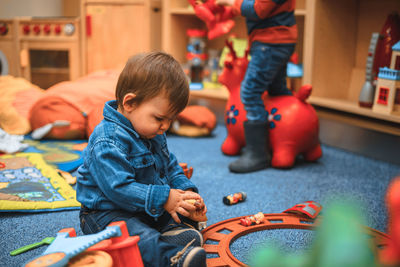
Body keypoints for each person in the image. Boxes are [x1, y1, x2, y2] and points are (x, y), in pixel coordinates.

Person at [76, 52, 207, 267]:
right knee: (136, 237)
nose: (165, 126)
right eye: (159, 118)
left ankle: (170, 236)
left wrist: (187, 193)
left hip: (144, 206)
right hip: (105, 213)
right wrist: (164, 198)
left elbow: (170, 167)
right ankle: (172, 259)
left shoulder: (153, 132)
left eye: (170, 120)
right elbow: (119, 189)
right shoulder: (107, 141)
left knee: (178, 214)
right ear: (130, 103)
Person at [216, 0, 297, 173]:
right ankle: (292, 134)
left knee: (250, 91)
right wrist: (230, 9)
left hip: (270, 43)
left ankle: (258, 153)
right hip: (274, 41)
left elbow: (258, 9)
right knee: (276, 89)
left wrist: (233, 2)